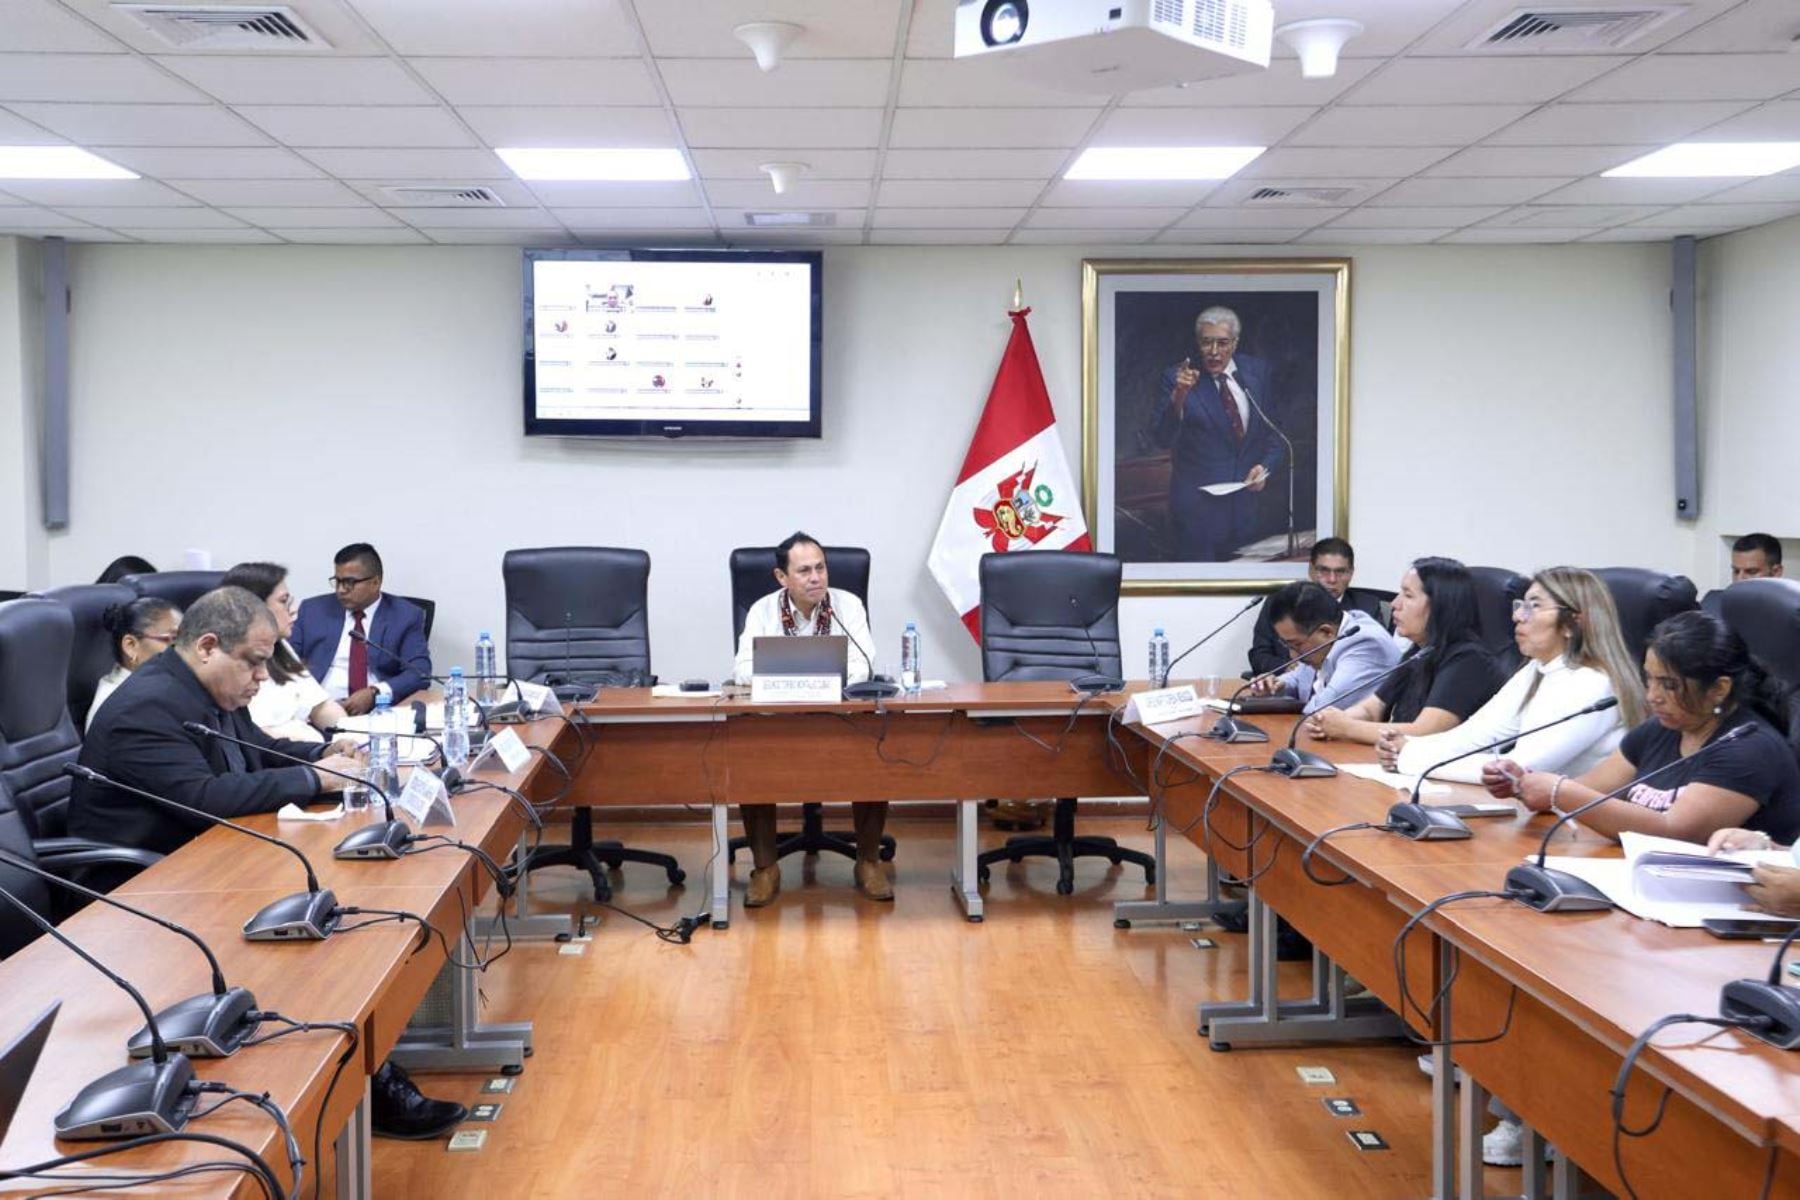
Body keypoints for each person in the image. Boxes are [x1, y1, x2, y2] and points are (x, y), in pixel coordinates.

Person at [68, 586, 466, 1141]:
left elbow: (257, 751)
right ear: (208, 646)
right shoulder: (148, 707)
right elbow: (203, 798)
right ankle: (351, 1085)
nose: (263, 677)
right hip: (142, 892)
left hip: (203, 865)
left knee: (337, 908)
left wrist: (324, 756)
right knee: (318, 938)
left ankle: (360, 1073)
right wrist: (313, 780)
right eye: (254, 662)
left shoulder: (205, 692)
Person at [1489, 609, 1800, 845]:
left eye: (1669, 685)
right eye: (1649, 679)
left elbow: (1674, 832)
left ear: (1719, 688)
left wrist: (1560, 791)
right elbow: (1589, 792)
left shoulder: (1748, 747)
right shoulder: (1662, 729)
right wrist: (1525, 785)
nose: (1653, 696)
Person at [731, 532, 889, 906]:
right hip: (778, 719)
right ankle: (765, 867)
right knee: (748, 753)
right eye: (804, 571)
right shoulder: (763, 611)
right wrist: (806, 678)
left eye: (820, 568)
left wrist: (797, 675)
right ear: (781, 578)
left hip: (839, 716)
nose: (816, 577)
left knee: (876, 747)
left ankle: (867, 860)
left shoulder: (847, 606)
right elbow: (741, 669)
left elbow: (864, 664)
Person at [1391, 566, 1645, 781]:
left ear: (1572, 623)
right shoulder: (1538, 668)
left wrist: (1412, 758)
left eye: (1533, 606)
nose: (1516, 616)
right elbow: (1478, 733)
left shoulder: (1593, 684)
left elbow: (1520, 770)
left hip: (1579, 829)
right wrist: (1408, 745)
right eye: (1521, 604)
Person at [1304, 557, 1501, 748]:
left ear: (1441, 605)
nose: (1395, 604)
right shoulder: (1419, 651)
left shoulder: (1469, 660)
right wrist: (1330, 721)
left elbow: (1425, 732)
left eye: (1408, 595)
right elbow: (1372, 708)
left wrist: (1347, 727)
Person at [1146, 306, 1285, 563]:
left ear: (1235, 343)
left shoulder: (1257, 373)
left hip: (1248, 511)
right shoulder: (1177, 378)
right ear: (1197, 343)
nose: (1213, 351)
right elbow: (1162, 438)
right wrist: (1179, 396)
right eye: (1206, 342)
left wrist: (1265, 467)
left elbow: (1275, 435)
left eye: (1222, 343)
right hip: (1197, 516)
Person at [290, 543, 431, 716]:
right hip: (317, 710)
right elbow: (285, 664)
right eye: (338, 581)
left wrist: (375, 692)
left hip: (378, 712)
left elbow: (420, 672)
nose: (341, 590)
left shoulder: (405, 615)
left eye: (350, 582)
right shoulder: (312, 610)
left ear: (375, 582)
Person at [222, 561, 346, 743]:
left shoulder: (280, 646)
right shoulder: (230, 660)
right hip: (281, 762)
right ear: (253, 607)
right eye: (283, 602)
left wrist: (352, 735)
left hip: (315, 756)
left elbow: (320, 706)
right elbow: (255, 738)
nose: (293, 610)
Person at [1251, 580, 1401, 714]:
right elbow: (1300, 679)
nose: (1292, 656)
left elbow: (1322, 710)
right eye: (1286, 645)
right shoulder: (1328, 636)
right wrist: (1277, 685)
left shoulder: (1366, 644)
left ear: (1325, 631)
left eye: (1296, 645)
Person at [1246, 537, 1386, 676]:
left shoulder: (1367, 607)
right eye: (1324, 571)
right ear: (1311, 571)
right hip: (1289, 690)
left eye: (1340, 572)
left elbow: (1376, 660)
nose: (1332, 579)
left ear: (1351, 573)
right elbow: (1259, 655)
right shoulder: (1280, 603)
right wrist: (1289, 670)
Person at [88, 596, 181, 730]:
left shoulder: (159, 688)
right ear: (131, 645)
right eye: (171, 639)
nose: (182, 649)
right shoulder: (121, 706)